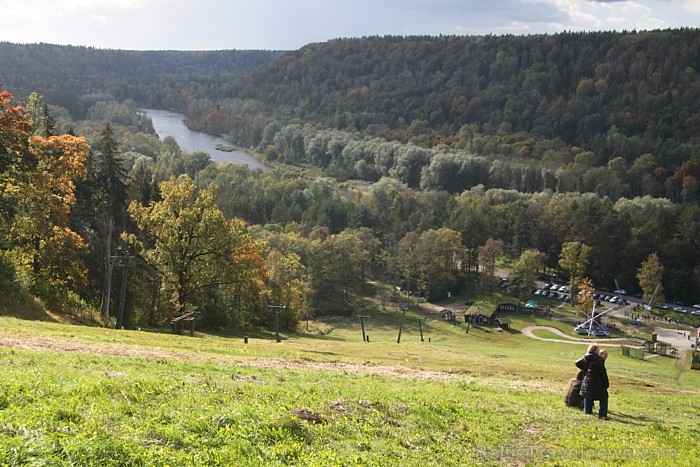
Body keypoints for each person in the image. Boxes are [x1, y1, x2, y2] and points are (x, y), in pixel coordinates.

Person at [580, 348, 610, 419]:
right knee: (604, 397)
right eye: (604, 354)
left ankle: (587, 411)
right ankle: (602, 414)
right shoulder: (599, 361)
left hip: (587, 382)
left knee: (588, 396)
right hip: (596, 384)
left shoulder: (587, 359)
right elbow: (603, 374)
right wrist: (606, 384)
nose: (606, 356)